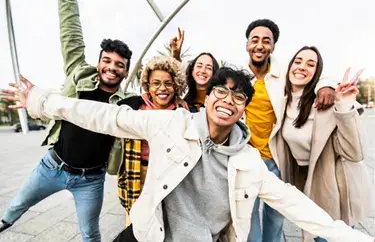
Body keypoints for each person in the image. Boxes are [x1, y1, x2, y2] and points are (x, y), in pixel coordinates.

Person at [2, 69, 374, 242]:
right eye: (221, 92)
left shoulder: (247, 163)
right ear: (207, 96)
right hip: (147, 234)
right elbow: (109, 116)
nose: (228, 101)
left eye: (238, 97)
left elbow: (293, 202)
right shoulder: (170, 124)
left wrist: (351, 237)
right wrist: (43, 101)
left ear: (243, 109)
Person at [0, 0, 133, 241]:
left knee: (90, 233)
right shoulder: (79, 75)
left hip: (91, 179)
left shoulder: (126, 103)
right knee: (16, 205)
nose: (112, 67)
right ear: (98, 62)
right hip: (52, 166)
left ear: (126, 72)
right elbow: (71, 33)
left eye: (119, 64)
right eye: (107, 60)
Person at [242, 19, 338, 242]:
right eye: (254, 40)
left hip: (276, 160)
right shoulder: (238, 77)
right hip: (247, 160)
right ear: (247, 44)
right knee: (248, 221)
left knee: (275, 220)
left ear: (273, 47)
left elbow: (312, 74)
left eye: (267, 41)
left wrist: (327, 85)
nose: (260, 45)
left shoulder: (282, 74)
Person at [276, 46, 374, 241]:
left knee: (331, 235)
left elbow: (355, 152)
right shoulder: (282, 100)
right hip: (305, 182)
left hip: (334, 183)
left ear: (316, 73)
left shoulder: (324, 103)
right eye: (298, 61)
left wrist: (344, 105)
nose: (302, 67)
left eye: (310, 64)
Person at [115, 56, 187, 226]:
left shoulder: (182, 111)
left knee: (166, 223)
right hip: (138, 173)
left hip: (168, 175)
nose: (162, 88)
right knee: (135, 224)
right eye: (156, 83)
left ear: (175, 85)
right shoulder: (133, 107)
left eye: (168, 83)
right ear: (148, 85)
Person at [170, 28, 220, 112]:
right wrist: (175, 55)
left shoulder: (218, 101)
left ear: (214, 73)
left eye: (208, 68)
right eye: (199, 66)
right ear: (192, 71)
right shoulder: (183, 104)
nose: (203, 71)